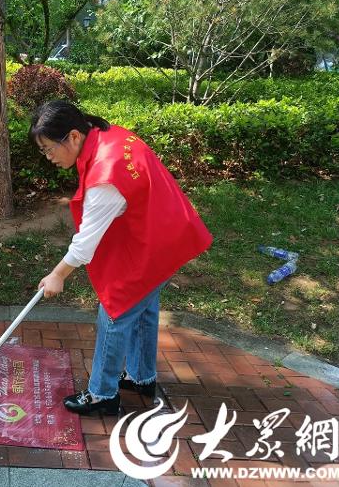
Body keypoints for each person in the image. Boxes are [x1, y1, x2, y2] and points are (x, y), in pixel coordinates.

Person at [32, 100, 212, 415]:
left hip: (157, 241)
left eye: (48, 149)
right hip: (164, 230)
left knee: (115, 311)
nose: (48, 158)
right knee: (142, 310)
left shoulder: (106, 174)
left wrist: (58, 274)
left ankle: (103, 394)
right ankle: (142, 378)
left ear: (74, 136)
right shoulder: (106, 136)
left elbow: (85, 244)